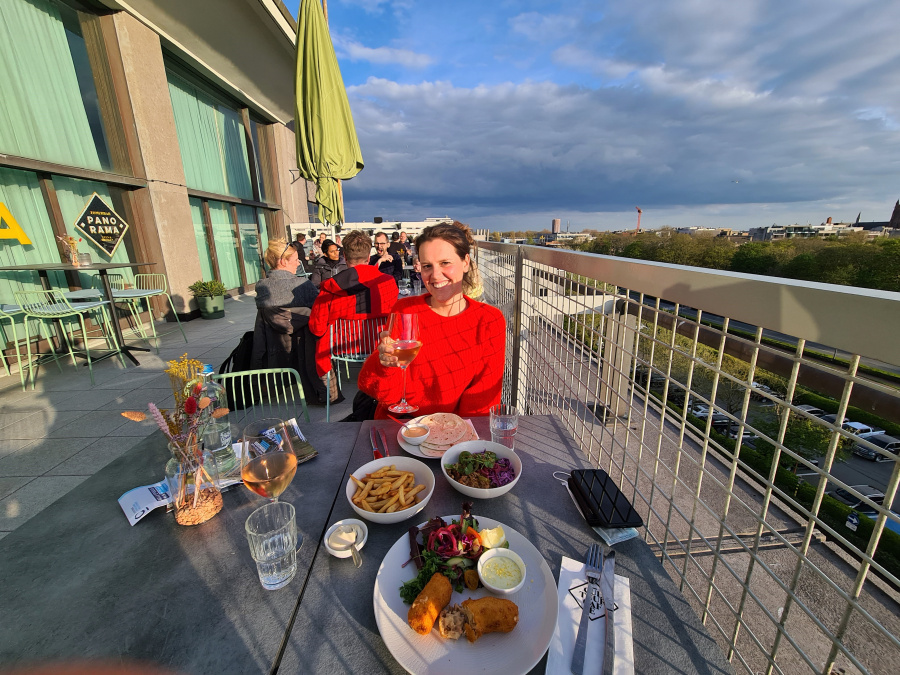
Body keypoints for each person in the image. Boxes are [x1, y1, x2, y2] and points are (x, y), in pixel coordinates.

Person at [358, 221, 505, 419]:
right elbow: (384, 394)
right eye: (427, 266)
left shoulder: (489, 320)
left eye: (445, 263)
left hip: (457, 433)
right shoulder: (405, 310)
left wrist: (451, 439)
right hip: (403, 429)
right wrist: (384, 364)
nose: (435, 275)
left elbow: (482, 402)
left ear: (465, 262)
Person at [309, 230, 399, 380]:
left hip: (341, 347)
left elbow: (316, 327)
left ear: (344, 257)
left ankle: (330, 393)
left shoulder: (330, 288)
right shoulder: (388, 283)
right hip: (380, 346)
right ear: (369, 257)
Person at [254, 239, 318, 309]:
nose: (298, 263)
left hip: (272, 320)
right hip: (300, 319)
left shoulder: (261, 286)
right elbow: (321, 309)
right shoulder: (303, 284)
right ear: (283, 262)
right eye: (296, 260)